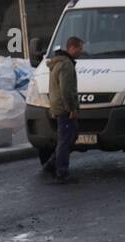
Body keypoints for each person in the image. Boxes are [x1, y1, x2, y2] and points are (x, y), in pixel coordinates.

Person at [46, 37, 84, 184]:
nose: (82, 51)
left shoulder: (58, 62)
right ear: (73, 48)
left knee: (72, 135)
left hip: (57, 105)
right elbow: (66, 90)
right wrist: (72, 108)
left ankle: (52, 164)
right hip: (64, 108)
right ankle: (61, 171)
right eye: (80, 48)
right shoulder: (66, 65)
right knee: (65, 139)